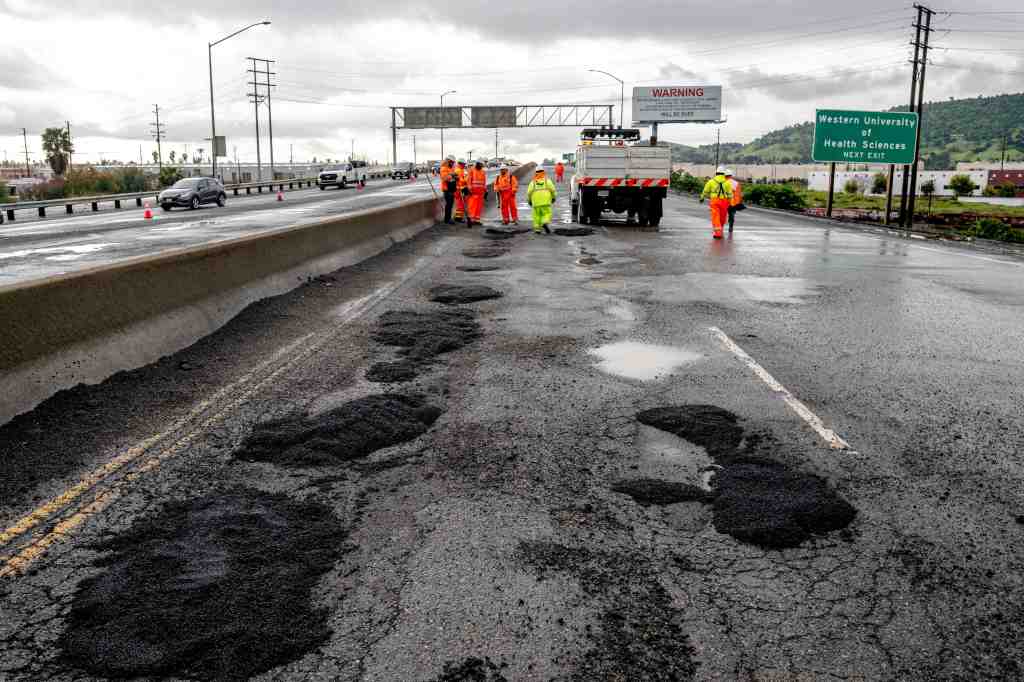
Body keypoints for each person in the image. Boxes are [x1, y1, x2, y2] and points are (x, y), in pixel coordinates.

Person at [700, 166, 734, 239]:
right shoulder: (727, 182)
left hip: (714, 201)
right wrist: (731, 203)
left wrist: (702, 197)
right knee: (722, 217)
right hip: (725, 201)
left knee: (715, 216)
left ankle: (718, 233)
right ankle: (720, 230)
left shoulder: (711, 181)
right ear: (723, 174)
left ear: (716, 173)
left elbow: (705, 190)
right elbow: (730, 194)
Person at [527, 166, 556, 234]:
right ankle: (545, 222)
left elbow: (528, 193)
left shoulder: (533, 182)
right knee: (546, 213)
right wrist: (554, 197)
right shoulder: (547, 181)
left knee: (536, 215)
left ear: (535, 173)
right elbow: (553, 190)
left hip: (536, 202)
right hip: (546, 202)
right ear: (544, 172)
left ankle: (537, 229)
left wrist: (529, 201)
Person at [467, 159, 487, 226]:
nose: (481, 166)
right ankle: (472, 219)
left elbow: (484, 182)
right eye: (480, 164)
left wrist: (485, 190)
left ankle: (477, 220)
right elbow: (469, 180)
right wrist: (470, 189)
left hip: (481, 192)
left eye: (482, 165)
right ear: (477, 164)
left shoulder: (483, 172)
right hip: (473, 192)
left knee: (479, 206)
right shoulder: (472, 170)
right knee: (472, 205)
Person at [439, 155, 458, 224]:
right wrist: (452, 175)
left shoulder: (451, 168)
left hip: (452, 188)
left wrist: (456, 177)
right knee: (449, 204)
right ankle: (447, 219)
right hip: (447, 189)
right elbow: (445, 178)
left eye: (453, 162)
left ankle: (449, 218)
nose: (452, 164)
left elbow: (454, 176)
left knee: (451, 204)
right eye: (451, 162)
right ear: (448, 161)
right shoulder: (443, 168)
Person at [725, 169, 742, 234]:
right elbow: (738, 194)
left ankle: (720, 227)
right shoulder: (736, 183)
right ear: (731, 175)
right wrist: (737, 203)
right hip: (733, 203)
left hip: (723, 202)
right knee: (732, 215)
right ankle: (730, 226)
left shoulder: (722, 182)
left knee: (722, 215)